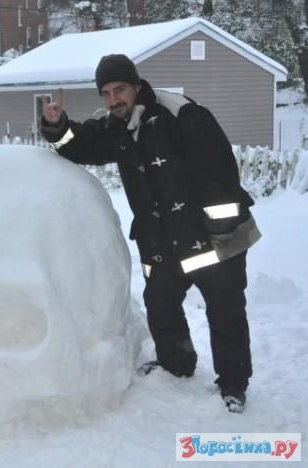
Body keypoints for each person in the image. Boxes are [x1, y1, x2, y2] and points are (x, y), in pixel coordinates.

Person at [41, 54, 260, 413]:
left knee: (225, 309)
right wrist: (56, 125)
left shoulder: (181, 113)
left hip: (214, 235)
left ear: (136, 85)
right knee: (160, 301)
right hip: (164, 239)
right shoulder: (116, 126)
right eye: (106, 93)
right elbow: (81, 144)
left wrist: (219, 228)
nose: (114, 100)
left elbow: (219, 170)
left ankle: (234, 383)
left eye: (120, 90)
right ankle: (176, 364)